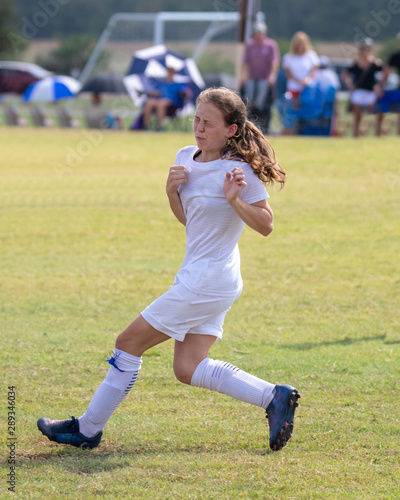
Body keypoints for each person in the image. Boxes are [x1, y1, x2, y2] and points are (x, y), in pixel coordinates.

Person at [37, 87, 300, 453]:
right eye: (196, 119)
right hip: (203, 276)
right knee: (188, 367)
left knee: (128, 343)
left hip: (208, 280)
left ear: (231, 130)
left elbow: (266, 225)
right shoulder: (184, 158)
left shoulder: (238, 171)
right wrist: (171, 193)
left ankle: (87, 429)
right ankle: (274, 396)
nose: (198, 128)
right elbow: (190, 222)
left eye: (208, 122)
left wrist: (235, 199)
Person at [240, 21, 280, 132]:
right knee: (249, 87)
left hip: (264, 78)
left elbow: (274, 61)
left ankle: (259, 106)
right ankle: (250, 107)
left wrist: (272, 75)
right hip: (252, 78)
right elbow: (244, 61)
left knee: (263, 86)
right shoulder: (249, 45)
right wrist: (242, 77)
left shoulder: (270, 45)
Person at [342, 38, 383, 137]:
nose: (366, 51)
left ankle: (377, 133)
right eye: (364, 49)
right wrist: (350, 86)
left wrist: (379, 86)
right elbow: (345, 74)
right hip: (359, 91)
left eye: (368, 49)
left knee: (380, 109)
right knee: (357, 110)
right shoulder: (355, 64)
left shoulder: (375, 63)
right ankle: (355, 134)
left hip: (371, 92)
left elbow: (385, 72)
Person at [281, 32, 319, 134]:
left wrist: (307, 79)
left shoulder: (311, 55)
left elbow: (314, 70)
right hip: (294, 87)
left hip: (307, 89)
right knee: (293, 110)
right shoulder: (289, 57)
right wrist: (299, 81)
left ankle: (304, 130)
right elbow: (288, 73)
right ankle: (292, 130)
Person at [142, 67, 189, 131]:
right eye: (167, 72)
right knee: (149, 102)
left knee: (161, 103)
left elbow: (187, 92)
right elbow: (154, 91)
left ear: (173, 74)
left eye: (170, 72)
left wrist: (184, 92)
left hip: (172, 106)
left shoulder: (178, 84)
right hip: (158, 102)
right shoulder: (161, 84)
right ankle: (146, 126)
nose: (168, 74)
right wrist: (153, 93)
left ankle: (160, 126)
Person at [376, 32, 400, 136]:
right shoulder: (395, 56)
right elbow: (386, 71)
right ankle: (378, 134)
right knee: (382, 105)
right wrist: (381, 86)